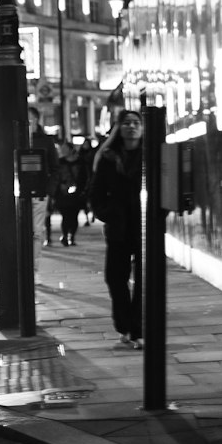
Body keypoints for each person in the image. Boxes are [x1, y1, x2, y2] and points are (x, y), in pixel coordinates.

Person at [89, 109, 143, 349]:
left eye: (136, 123)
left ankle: (137, 329)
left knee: (143, 281)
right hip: (118, 225)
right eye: (126, 123)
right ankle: (124, 325)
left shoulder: (151, 156)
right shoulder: (108, 157)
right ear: (119, 128)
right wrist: (107, 213)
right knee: (115, 278)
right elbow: (96, 192)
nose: (131, 127)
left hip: (143, 226)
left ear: (142, 128)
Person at [28, 106, 59, 264]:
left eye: (30, 119)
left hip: (40, 193)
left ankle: (34, 269)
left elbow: (55, 168)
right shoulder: (15, 140)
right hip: (20, 192)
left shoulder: (46, 141)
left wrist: (49, 190)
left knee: (36, 232)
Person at [54, 139, 89, 246]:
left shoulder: (81, 162)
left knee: (74, 216)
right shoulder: (60, 162)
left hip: (77, 194)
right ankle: (65, 236)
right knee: (65, 215)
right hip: (63, 193)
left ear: (70, 149)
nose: (62, 150)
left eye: (64, 148)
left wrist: (82, 190)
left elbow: (85, 177)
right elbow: (56, 177)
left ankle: (71, 236)